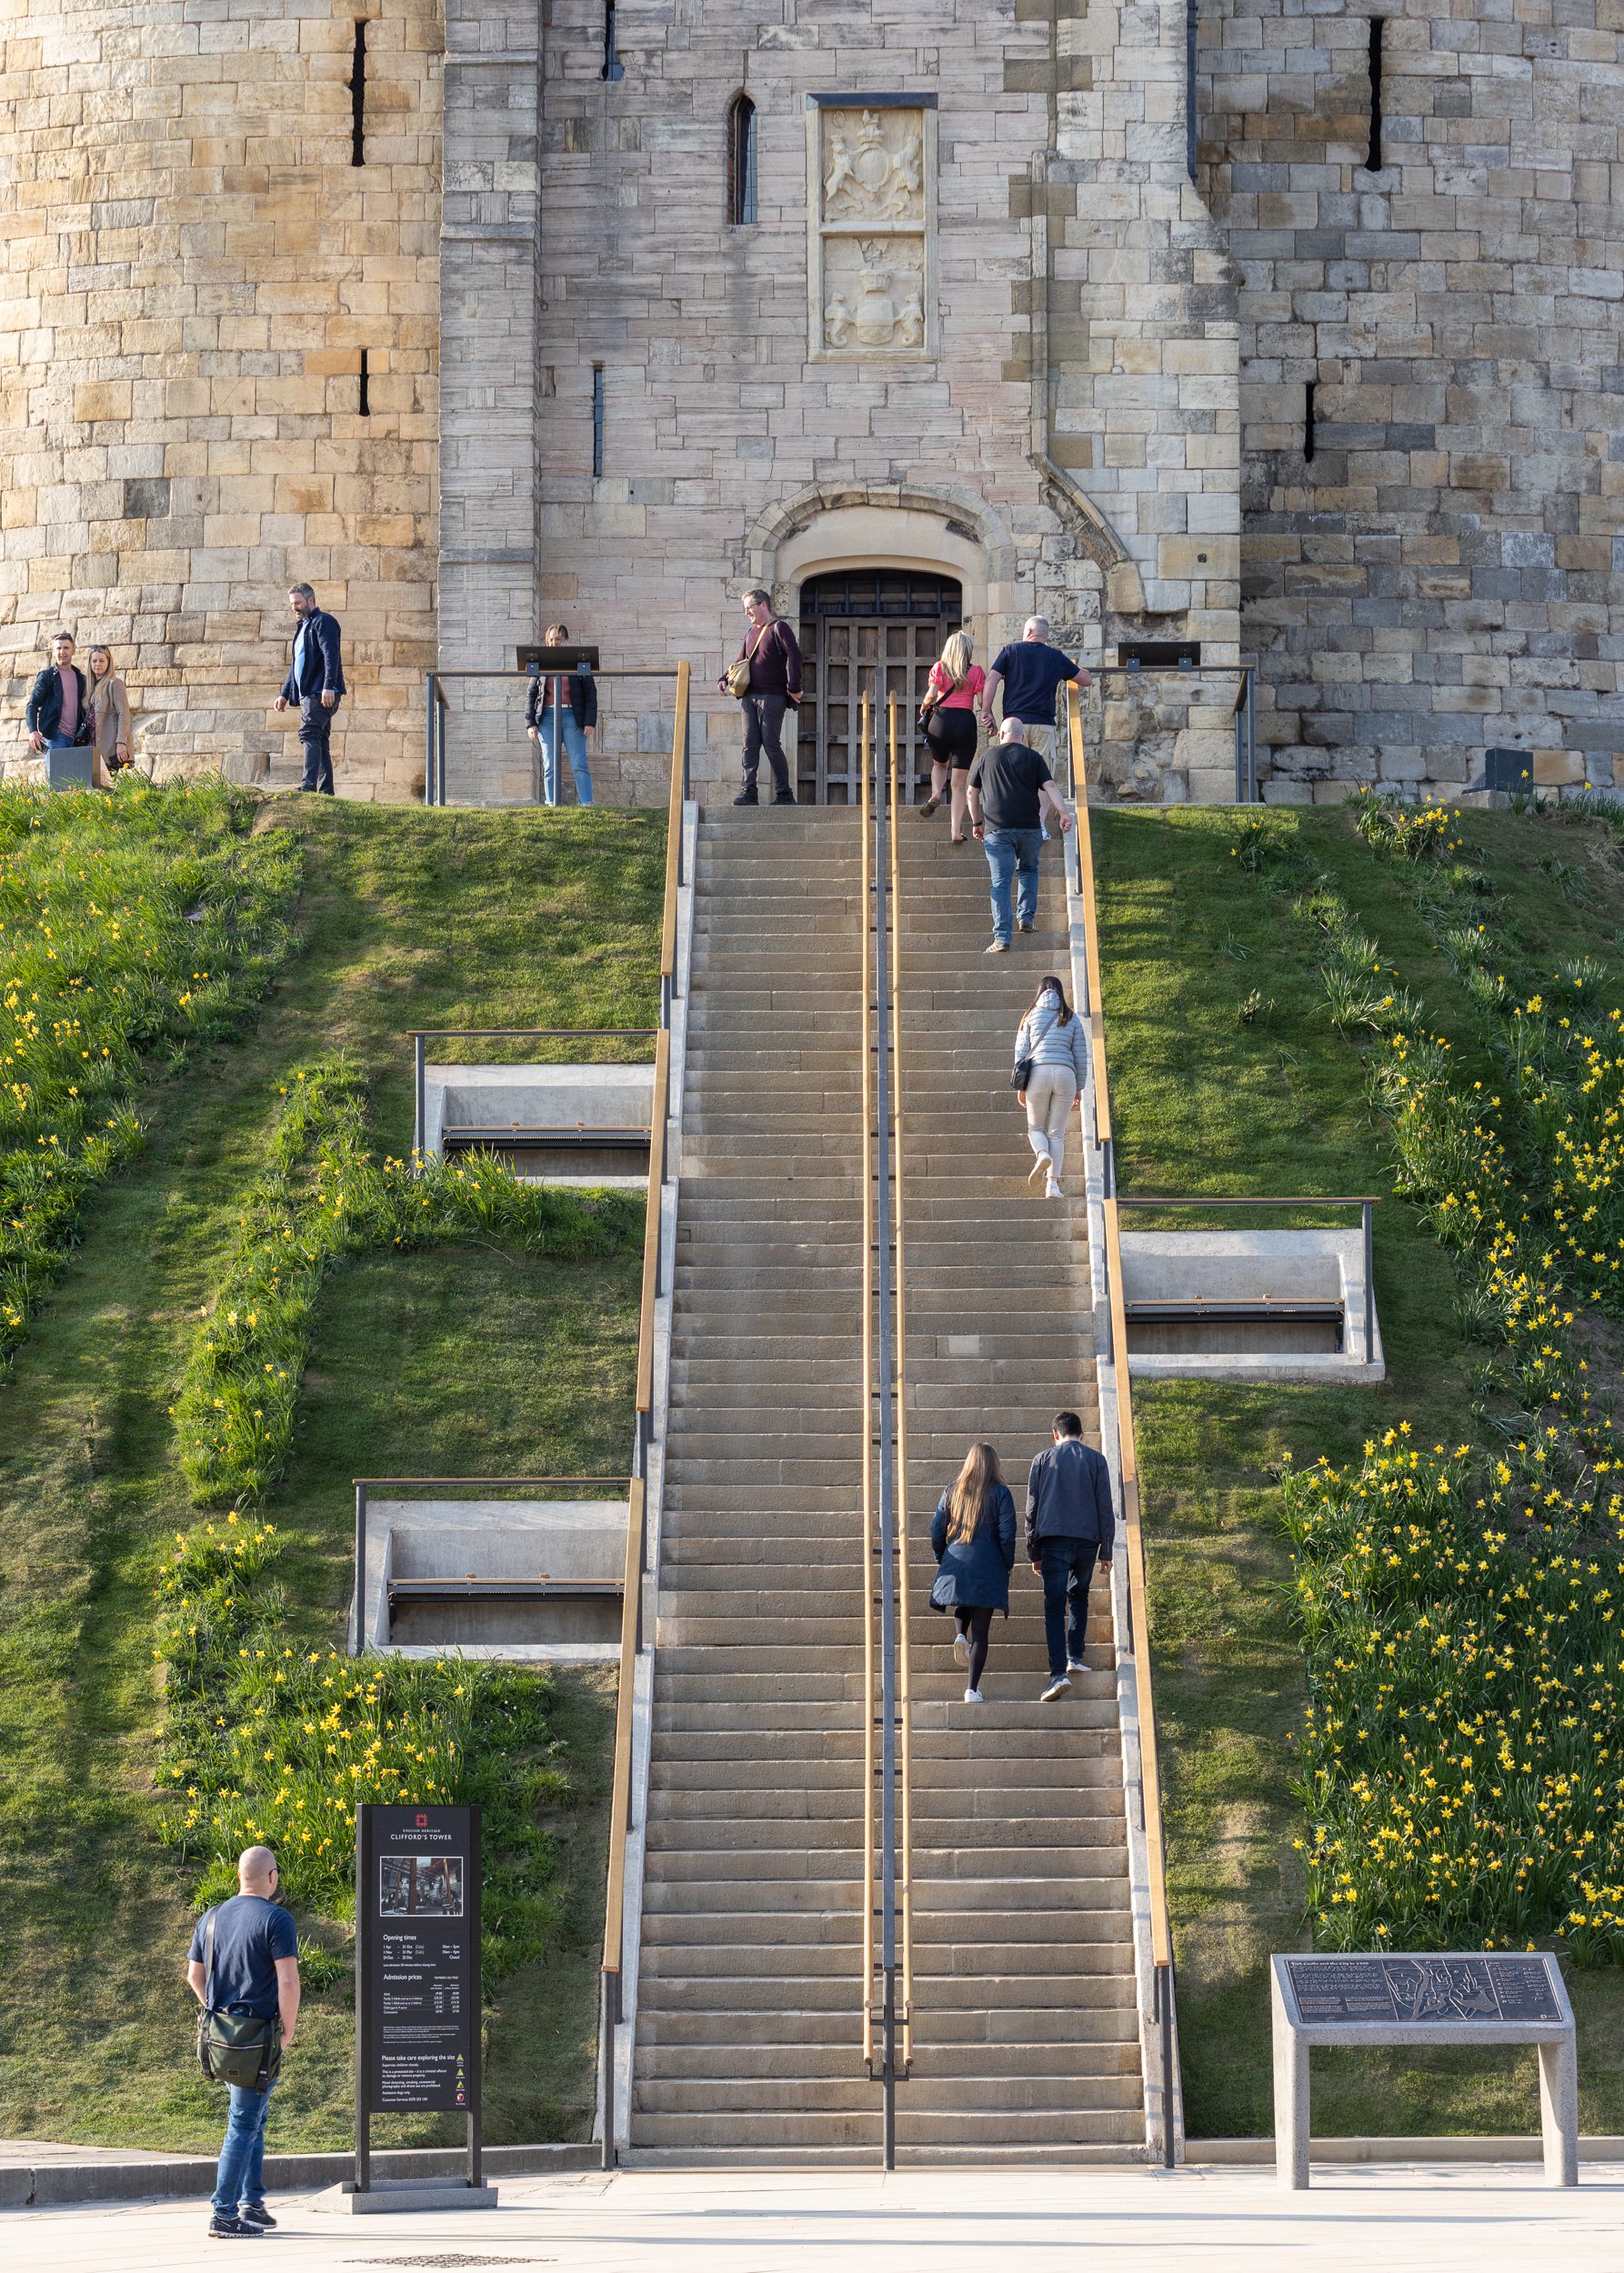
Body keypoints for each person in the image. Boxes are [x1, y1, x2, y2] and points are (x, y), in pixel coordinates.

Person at [185, 1844, 301, 2240]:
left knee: (254, 2116)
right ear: (271, 1877)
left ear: (240, 1876)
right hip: (259, 2038)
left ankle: (252, 2202)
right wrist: (287, 2030)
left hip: (222, 2036)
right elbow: (287, 1979)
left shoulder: (212, 1916)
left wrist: (218, 2014)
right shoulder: (276, 1919)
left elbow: (194, 1977)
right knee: (244, 2121)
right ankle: (224, 2212)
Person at [1027, 1412, 1115, 1704]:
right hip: (1088, 1540)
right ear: (1082, 1434)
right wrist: (1107, 1550)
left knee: (1054, 1607)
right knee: (1079, 1596)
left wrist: (1033, 1551)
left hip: (1052, 1540)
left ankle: (1057, 1674)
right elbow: (1105, 1505)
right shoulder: (1097, 1460)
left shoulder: (1042, 1460)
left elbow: (1032, 1508)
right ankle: (1075, 1656)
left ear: (1055, 1434)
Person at [967, 716, 1073, 954]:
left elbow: (972, 793)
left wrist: (976, 822)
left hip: (997, 829)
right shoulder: (1034, 757)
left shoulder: (987, 757)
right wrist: (1064, 813)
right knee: (1028, 870)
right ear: (1022, 737)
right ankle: (1025, 919)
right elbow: (1051, 787)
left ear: (1001, 735)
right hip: (1029, 827)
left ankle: (1002, 938)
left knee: (1000, 882)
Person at [929, 1442, 1017, 1704]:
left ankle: (958, 1634)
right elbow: (1008, 1534)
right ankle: (971, 1690)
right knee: (980, 1633)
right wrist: (1006, 1563)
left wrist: (942, 1557)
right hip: (988, 1564)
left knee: (963, 1595)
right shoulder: (1001, 1494)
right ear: (994, 1464)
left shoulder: (951, 1491)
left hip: (955, 1560)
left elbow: (936, 1529)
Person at [719, 587, 801, 806]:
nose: (747, 612)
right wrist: (724, 679)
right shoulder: (749, 633)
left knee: (771, 743)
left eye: (750, 608)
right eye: (745, 609)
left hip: (773, 697)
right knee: (749, 744)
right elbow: (739, 661)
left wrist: (794, 687)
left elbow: (795, 656)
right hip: (749, 698)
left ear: (763, 605)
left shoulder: (779, 627)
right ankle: (749, 792)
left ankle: (784, 794)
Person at [1014, 974, 1089, 1201]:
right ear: (1060, 992)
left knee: (1035, 1128)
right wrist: (1079, 1087)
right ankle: (1053, 1187)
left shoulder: (1029, 1016)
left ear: (1039, 992)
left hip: (1038, 1072)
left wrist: (1022, 1087)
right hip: (1066, 1074)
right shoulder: (1071, 1017)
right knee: (1057, 1133)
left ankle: (1042, 1153)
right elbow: (1080, 1056)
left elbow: (1020, 1053)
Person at [981, 616, 1089, 763]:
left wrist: (986, 711)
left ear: (1029, 631)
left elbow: (991, 680)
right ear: (1046, 636)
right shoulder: (1056, 657)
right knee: (1043, 780)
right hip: (1043, 725)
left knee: (1014, 777)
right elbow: (1086, 680)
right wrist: (1079, 669)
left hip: (1014, 724)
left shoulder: (1010, 651)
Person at [274, 583, 345, 795]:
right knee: (319, 740)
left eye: (298, 603)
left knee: (309, 733)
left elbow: (331, 656)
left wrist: (329, 686)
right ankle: (326, 792)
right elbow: (297, 664)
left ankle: (307, 786)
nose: (294, 607)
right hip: (308, 693)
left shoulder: (324, 622)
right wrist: (284, 694)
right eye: (292, 604)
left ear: (310, 600)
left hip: (320, 692)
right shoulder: (303, 626)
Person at [917, 630, 985, 842]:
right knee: (959, 783)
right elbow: (983, 703)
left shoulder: (940, 667)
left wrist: (925, 705)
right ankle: (955, 832)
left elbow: (931, 693)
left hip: (942, 721)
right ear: (968, 651)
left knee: (939, 764)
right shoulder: (977, 672)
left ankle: (936, 792)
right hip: (965, 722)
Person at [526, 623, 596, 806]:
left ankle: (586, 803)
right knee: (550, 764)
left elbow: (590, 693)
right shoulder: (541, 663)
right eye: (551, 639)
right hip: (547, 719)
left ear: (566, 640)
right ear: (547, 642)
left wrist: (590, 721)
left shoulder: (578, 662)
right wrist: (530, 722)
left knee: (579, 763)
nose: (555, 643)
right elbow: (532, 694)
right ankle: (551, 804)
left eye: (558, 639)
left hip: (573, 717)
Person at [24, 632, 93, 766]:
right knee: (59, 783)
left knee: (76, 784)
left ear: (73, 650)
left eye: (66, 648)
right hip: (56, 738)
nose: (62, 652)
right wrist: (33, 731)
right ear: (53, 652)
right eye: (58, 648)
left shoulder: (81, 678)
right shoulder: (47, 676)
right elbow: (32, 704)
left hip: (77, 739)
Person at [85, 645, 134, 786]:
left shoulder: (115, 684)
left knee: (108, 788)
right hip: (92, 745)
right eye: (94, 661)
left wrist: (121, 743)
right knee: (94, 789)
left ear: (108, 662)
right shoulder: (89, 687)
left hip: (110, 746)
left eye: (101, 660)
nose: (98, 664)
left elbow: (124, 714)